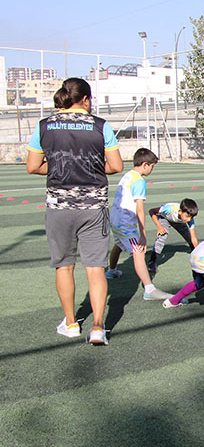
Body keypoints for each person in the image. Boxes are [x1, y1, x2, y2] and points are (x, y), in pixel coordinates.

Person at [26, 77, 124, 346]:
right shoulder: (100, 125)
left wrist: (61, 167)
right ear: (86, 99)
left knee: (64, 266)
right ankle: (97, 327)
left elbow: (33, 166)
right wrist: (89, 168)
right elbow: (116, 166)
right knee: (95, 269)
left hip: (59, 207)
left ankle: (70, 323)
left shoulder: (44, 126)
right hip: (94, 207)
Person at [106, 148, 173, 301]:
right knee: (138, 251)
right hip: (125, 223)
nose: (151, 169)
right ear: (145, 164)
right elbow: (140, 210)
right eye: (152, 166)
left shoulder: (127, 175)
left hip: (115, 219)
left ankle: (111, 271)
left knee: (119, 244)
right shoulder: (139, 181)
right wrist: (142, 235)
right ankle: (149, 289)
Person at [147, 198, 199, 273]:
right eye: (187, 216)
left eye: (191, 217)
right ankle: (152, 261)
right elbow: (151, 211)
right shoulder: (169, 209)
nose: (189, 219)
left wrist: (199, 251)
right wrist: (159, 226)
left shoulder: (189, 218)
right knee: (162, 236)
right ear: (180, 211)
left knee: (188, 236)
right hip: (165, 218)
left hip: (178, 221)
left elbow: (193, 237)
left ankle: (194, 250)